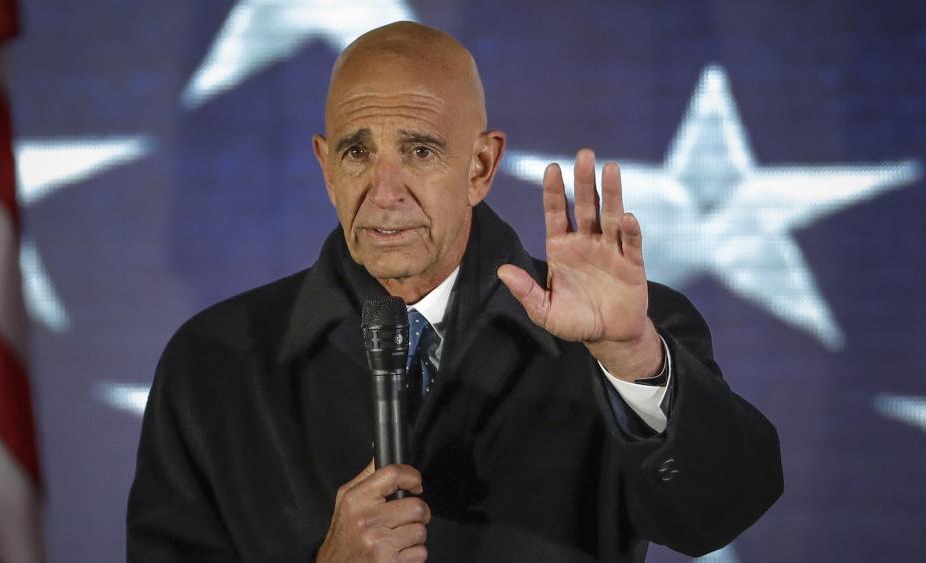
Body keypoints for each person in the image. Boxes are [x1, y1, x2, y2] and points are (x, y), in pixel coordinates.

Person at [127, 21, 782, 563]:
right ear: (325, 168)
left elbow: (714, 515)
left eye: (418, 151)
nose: (384, 193)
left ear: (480, 166)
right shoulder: (213, 361)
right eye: (358, 153)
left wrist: (632, 357)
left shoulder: (622, 332)